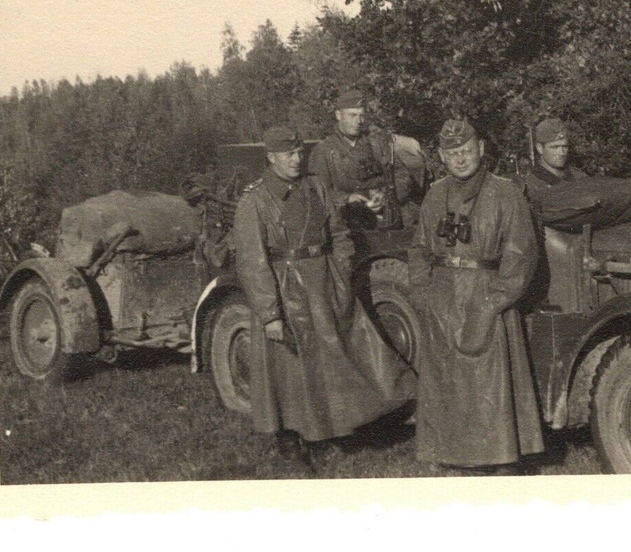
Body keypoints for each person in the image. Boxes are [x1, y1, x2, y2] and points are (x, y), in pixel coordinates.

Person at [233, 124, 416, 462]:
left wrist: (341, 270)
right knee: (291, 368)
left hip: (324, 281)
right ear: (271, 158)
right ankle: (293, 435)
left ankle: (342, 425)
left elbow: (338, 231)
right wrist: (269, 313)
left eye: (299, 152)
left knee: (337, 358)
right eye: (288, 154)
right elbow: (252, 262)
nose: (296, 159)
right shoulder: (255, 200)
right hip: (285, 289)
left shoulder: (314, 186)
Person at [407, 118, 544, 470]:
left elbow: (520, 255)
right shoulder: (435, 194)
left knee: (489, 386)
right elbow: (420, 248)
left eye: (466, 151)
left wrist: (492, 303)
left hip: (487, 295)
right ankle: (451, 453)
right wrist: (422, 293)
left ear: (481, 149)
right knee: (447, 380)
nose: (461, 159)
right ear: (441, 156)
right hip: (442, 296)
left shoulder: (505, 192)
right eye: (452, 153)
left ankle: (502, 458)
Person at [309, 88, 423, 229]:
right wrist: (348, 199)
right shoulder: (324, 150)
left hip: (389, 212)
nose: (358, 121)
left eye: (361, 116)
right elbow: (319, 192)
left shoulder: (377, 142)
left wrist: (386, 197)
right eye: (352, 115)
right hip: (350, 217)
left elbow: (402, 175)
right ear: (338, 115)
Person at [521, 117, 588, 212]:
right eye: (555, 147)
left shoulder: (579, 177)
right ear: (540, 148)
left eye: (564, 146)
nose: (561, 153)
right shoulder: (529, 186)